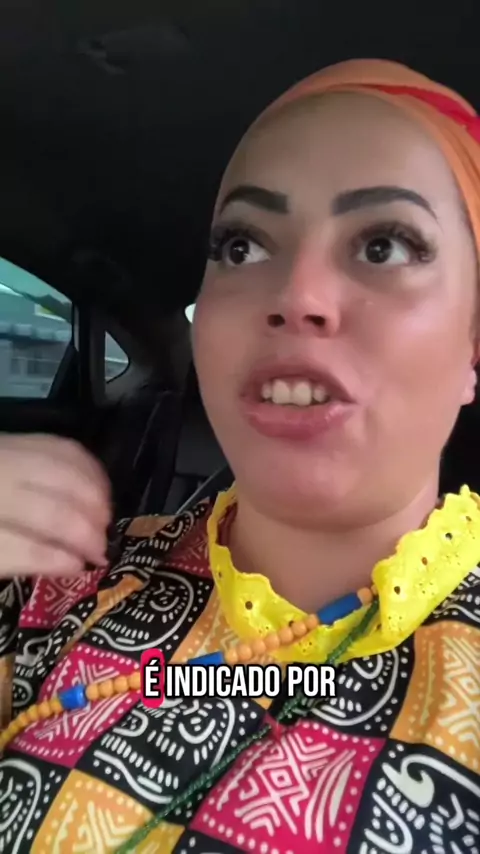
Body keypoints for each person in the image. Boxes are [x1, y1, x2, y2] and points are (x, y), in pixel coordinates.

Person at [1, 57, 480, 854]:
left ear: (473, 345)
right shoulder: (60, 572)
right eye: (243, 246)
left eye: (384, 245)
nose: (297, 295)